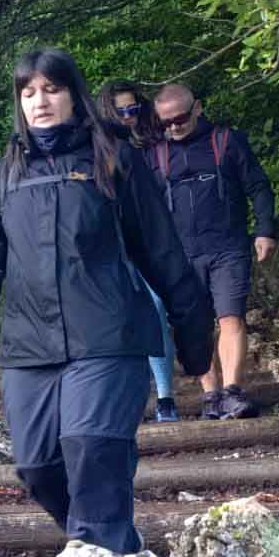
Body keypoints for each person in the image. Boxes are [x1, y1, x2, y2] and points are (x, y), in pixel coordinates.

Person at [0, 49, 212, 555]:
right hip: (30, 344)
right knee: (37, 464)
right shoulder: (8, 170)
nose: (39, 102)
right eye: (28, 93)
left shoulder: (113, 157)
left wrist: (193, 338)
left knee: (92, 447)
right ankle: (111, 543)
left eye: (51, 89)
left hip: (108, 335)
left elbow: (161, 250)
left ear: (74, 94)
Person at [146, 83, 277, 420]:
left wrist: (265, 230)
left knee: (230, 316)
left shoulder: (227, 141)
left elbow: (259, 187)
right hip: (181, 255)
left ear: (198, 108)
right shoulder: (155, 155)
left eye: (180, 118)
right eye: (165, 122)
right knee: (195, 327)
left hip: (227, 248)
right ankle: (210, 397)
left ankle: (232, 391)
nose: (174, 126)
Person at [103, 82, 180, 423]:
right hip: (112, 248)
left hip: (152, 244)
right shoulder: (98, 150)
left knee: (156, 309)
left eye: (133, 109)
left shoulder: (155, 146)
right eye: (121, 112)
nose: (128, 117)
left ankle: (165, 397)